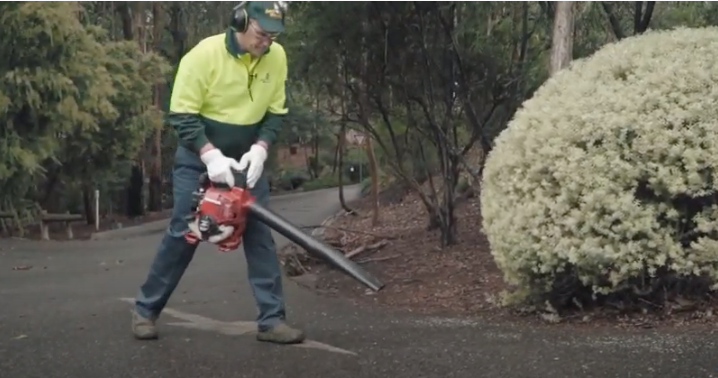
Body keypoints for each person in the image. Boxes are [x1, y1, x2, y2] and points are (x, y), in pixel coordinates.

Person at [130, 1, 306, 345]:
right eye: (261, 34)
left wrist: (261, 148)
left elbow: (275, 112)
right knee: (187, 232)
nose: (266, 42)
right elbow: (181, 114)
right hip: (201, 161)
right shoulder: (203, 56)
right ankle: (145, 310)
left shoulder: (277, 56)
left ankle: (272, 320)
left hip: (246, 163)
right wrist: (210, 156)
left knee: (259, 234)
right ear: (240, 21)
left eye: (273, 36)